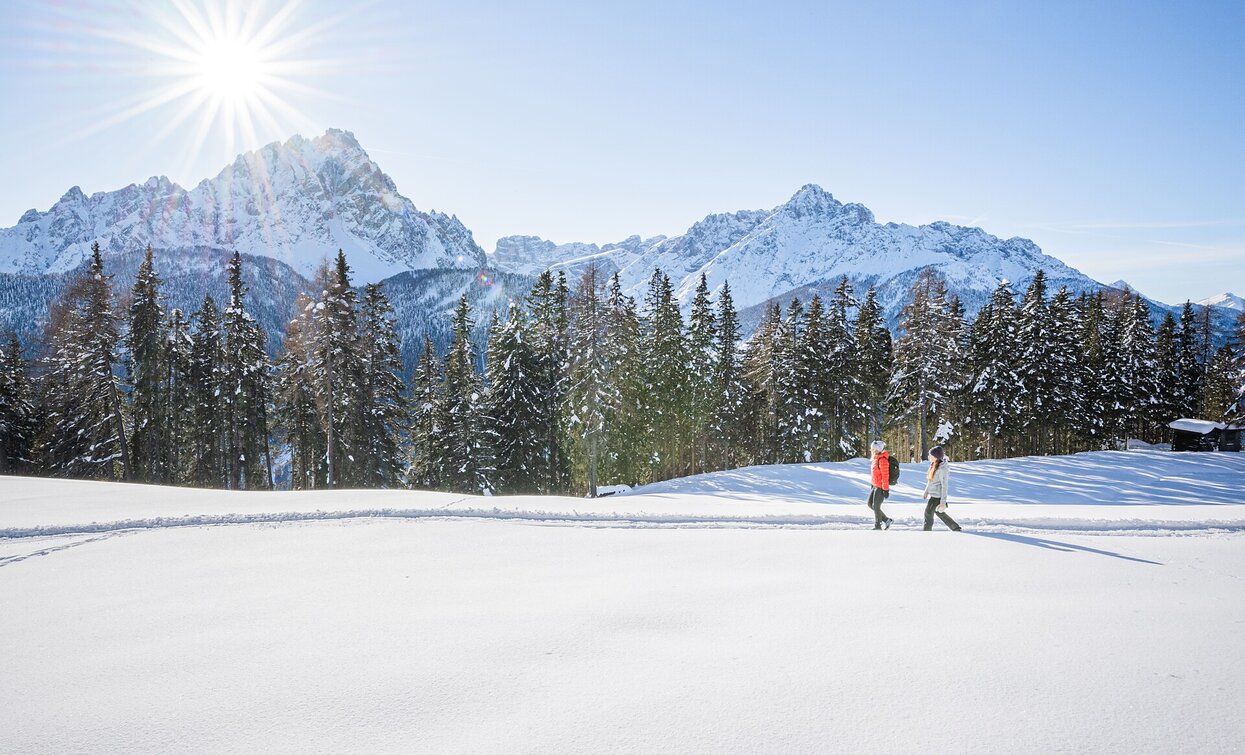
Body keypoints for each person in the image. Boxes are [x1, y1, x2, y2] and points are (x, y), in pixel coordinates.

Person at [922, 445, 961, 532]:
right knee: (939, 512)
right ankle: (955, 527)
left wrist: (943, 502)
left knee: (928, 514)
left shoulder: (942, 469)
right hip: (934, 494)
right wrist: (926, 492)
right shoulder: (933, 465)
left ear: (935, 457)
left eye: (930, 455)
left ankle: (926, 532)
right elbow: (930, 481)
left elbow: (944, 486)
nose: (929, 457)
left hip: (937, 496)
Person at [867, 440, 893, 530]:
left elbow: (885, 476)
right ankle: (886, 520)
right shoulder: (875, 459)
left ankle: (877, 526)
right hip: (875, 486)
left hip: (880, 487)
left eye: (873, 448)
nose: (871, 450)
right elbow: (875, 474)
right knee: (870, 504)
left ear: (877, 449)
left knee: (876, 506)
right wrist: (872, 484)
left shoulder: (882, 460)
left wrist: (885, 489)